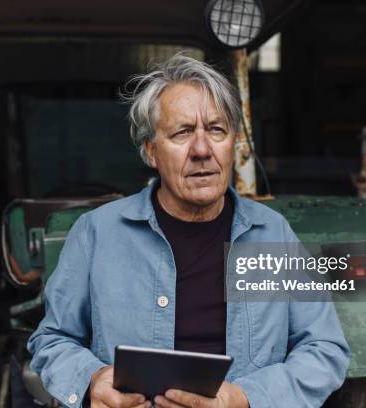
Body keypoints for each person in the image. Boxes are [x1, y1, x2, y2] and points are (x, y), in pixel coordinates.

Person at [27, 54, 349, 408]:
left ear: (233, 144)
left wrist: (242, 397)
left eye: (216, 130)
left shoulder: (272, 235)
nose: (202, 150)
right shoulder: (98, 233)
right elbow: (52, 340)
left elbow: (324, 350)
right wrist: (92, 380)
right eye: (182, 132)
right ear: (151, 151)